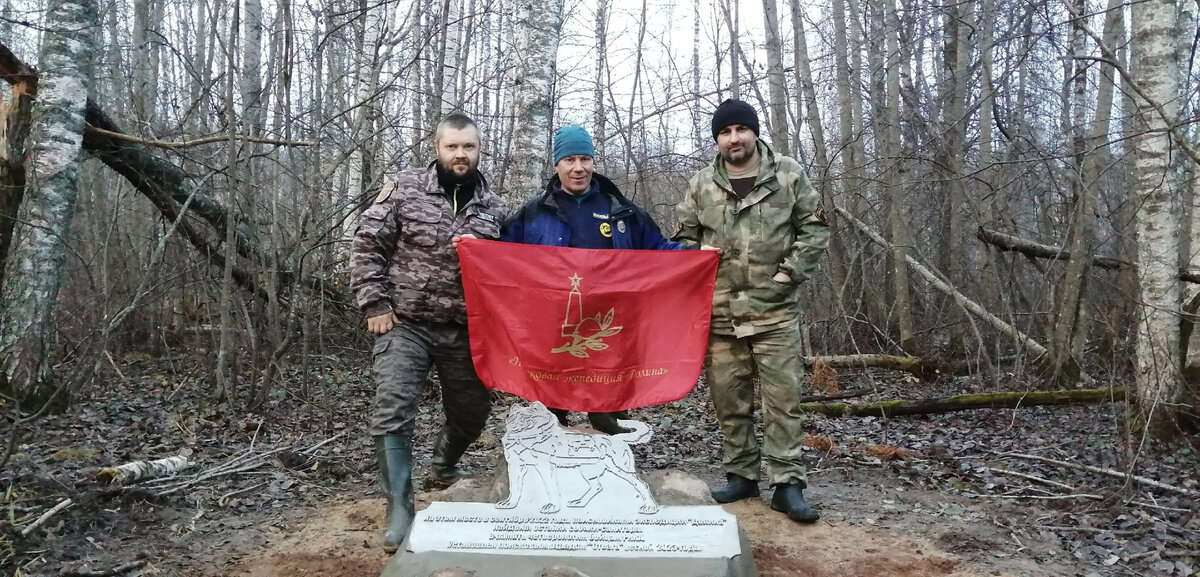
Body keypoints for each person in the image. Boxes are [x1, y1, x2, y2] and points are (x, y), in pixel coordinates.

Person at [349, 112, 507, 550]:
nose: (461, 154)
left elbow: (510, 272)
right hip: (405, 323)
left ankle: (444, 464)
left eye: (469, 147)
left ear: (479, 150)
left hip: (463, 329)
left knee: (472, 413)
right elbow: (366, 245)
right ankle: (400, 505)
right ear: (436, 147)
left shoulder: (495, 209)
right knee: (393, 407)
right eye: (452, 146)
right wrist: (375, 303)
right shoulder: (405, 188)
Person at [673, 99, 830, 523]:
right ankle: (741, 475)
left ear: (754, 132)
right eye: (725, 132)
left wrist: (789, 275)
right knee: (730, 402)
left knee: (784, 402)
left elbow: (815, 228)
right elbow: (680, 241)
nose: (734, 138)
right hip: (721, 315)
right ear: (717, 139)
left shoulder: (787, 174)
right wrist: (695, 255)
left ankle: (787, 485)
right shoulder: (702, 184)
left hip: (775, 313)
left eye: (741, 129)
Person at [500, 125, 700, 434]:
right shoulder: (534, 213)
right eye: (569, 160)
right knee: (550, 411)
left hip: (607, 326)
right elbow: (499, 256)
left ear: (593, 162)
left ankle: (613, 460)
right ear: (557, 165)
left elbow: (658, 249)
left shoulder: (620, 210)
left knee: (609, 407)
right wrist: (471, 247)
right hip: (552, 328)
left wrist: (698, 254)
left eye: (585, 159)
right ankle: (553, 459)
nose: (578, 168)